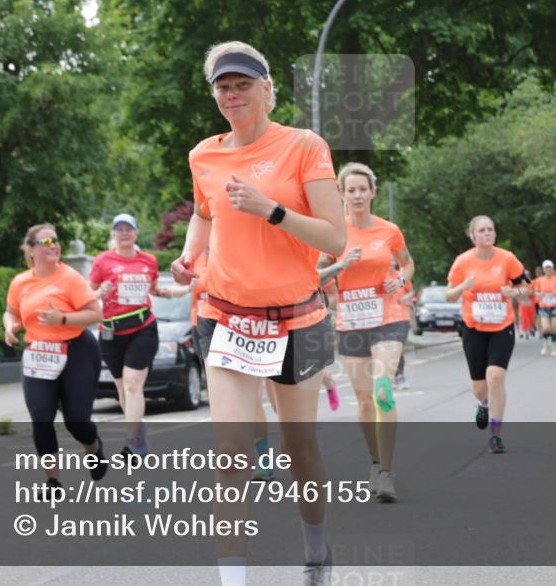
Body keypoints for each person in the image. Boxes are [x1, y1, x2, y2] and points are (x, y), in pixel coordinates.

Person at [172, 41, 345, 585]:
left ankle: (315, 552)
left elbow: (335, 238)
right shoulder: (204, 155)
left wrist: (272, 210)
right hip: (227, 316)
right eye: (223, 86)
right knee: (231, 452)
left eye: (243, 84)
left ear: (267, 89)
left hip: (298, 318)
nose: (232, 94)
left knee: (299, 451)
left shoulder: (304, 146)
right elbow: (205, 212)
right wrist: (189, 256)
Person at [317, 162, 415, 502]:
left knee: (382, 390)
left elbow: (408, 263)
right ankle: (375, 462)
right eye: (351, 190)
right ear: (342, 195)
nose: (357, 195)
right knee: (363, 401)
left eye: (363, 189)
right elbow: (316, 275)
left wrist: (400, 280)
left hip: (389, 317)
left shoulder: (389, 230)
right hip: (351, 323)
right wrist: (339, 267)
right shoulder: (333, 234)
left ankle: (386, 473)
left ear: (372, 192)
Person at [4, 224, 107, 494]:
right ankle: (53, 481)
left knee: (76, 420)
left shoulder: (70, 278)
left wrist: (61, 318)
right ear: (31, 250)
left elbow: (95, 314)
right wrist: (10, 326)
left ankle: (94, 448)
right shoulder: (20, 282)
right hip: (38, 354)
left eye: (55, 240)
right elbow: (11, 312)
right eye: (46, 241)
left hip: (77, 351)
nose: (54, 245)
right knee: (41, 417)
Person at [446, 215, 530, 454]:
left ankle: (495, 433)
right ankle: (483, 404)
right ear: (473, 236)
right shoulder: (463, 261)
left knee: (495, 376)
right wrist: (463, 286)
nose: (487, 233)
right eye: (482, 230)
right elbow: (449, 296)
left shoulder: (507, 259)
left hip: (502, 326)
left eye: (490, 229)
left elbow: (526, 288)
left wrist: (514, 293)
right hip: (473, 329)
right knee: (480, 387)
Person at [89, 214, 163, 455]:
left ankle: (132, 442)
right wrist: (100, 292)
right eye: (119, 229)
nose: (124, 233)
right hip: (112, 332)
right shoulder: (102, 261)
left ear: (136, 233)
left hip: (143, 328)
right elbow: (88, 294)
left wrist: (178, 290)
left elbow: (154, 289)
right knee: (122, 388)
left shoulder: (149, 261)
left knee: (132, 384)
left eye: (128, 229)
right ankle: (139, 433)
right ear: (113, 234)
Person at [532, 260, 556, 356]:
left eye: (549, 267)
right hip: (543, 306)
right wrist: (540, 295)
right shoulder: (539, 280)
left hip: (554, 306)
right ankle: (545, 344)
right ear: (543, 269)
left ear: (552, 268)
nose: (548, 269)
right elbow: (535, 292)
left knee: (553, 328)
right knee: (546, 327)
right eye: (546, 268)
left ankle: (553, 347)